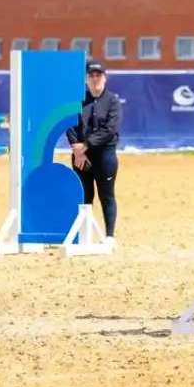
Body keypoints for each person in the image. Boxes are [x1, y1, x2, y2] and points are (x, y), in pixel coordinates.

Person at [65, 60, 121, 247]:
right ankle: (82, 235)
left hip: (105, 155)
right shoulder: (79, 101)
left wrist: (86, 145)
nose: (95, 79)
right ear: (87, 79)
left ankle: (110, 236)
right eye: (92, 76)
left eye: (98, 75)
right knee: (83, 195)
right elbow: (71, 125)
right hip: (81, 157)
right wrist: (77, 149)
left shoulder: (112, 101)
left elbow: (110, 129)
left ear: (105, 78)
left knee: (106, 195)